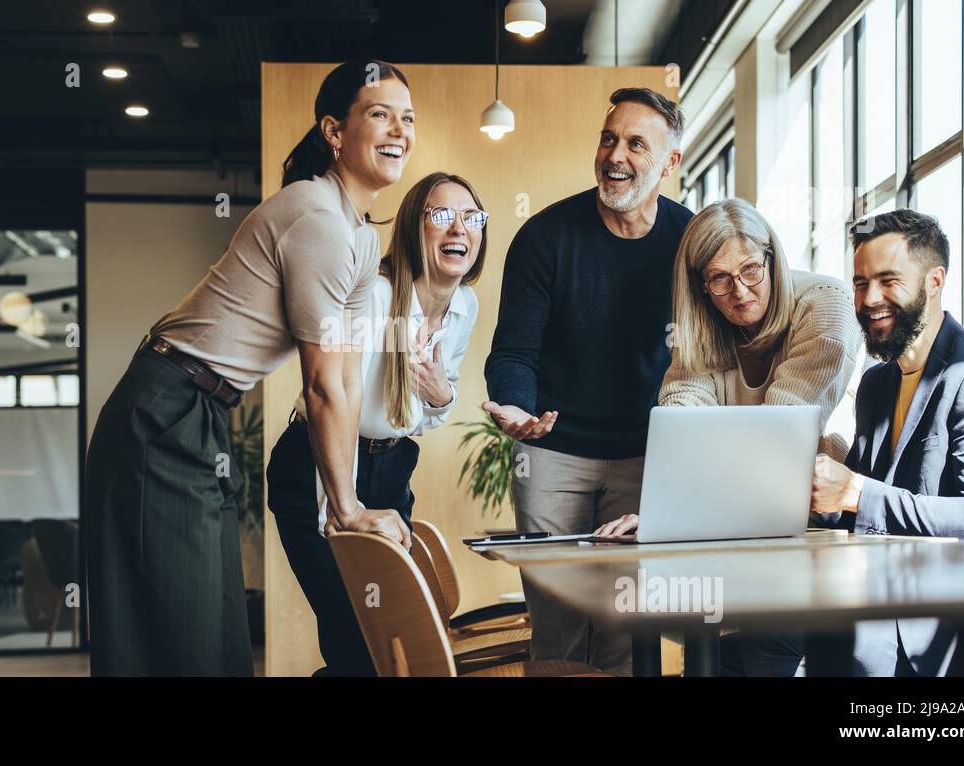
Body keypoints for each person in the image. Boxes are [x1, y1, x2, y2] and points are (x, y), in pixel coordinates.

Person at [85, 60, 414, 677]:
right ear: (334, 132)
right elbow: (318, 386)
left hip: (200, 410)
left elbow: (343, 378)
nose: (399, 129)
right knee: (177, 633)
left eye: (407, 118)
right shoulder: (317, 217)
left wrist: (345, 505)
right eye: (379, 113)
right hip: (163, 408)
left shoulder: (362, 238)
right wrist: (344, 508)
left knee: (212, 630)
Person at [593, 196, 864, 676]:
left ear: (772, 259)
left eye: (750, 271)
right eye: (719, 278)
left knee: (769, 652)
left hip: (819, 524)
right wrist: (662, 513)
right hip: (743, 525)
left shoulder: (827, 304)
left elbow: (779, 438)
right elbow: (681, 417)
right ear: (701, 286)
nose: (739, 291)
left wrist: (683, 509)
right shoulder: (702, 327)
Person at [483, 87, 692, 675]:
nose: (615, 155)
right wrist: (517, 408)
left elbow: (709, 354)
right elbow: (513, 352)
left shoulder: (690, 241)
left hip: (646, 455)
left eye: (635, 143)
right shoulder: (545, 237)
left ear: (670, 164)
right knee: (559, 626)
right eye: (608, 138)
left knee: (626, 628)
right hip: (553, 455)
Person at [268, 172, 487, 675]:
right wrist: (339, 511)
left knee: (394, 638)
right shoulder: (374, 297)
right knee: (356, 641)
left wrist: (442, 393)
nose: (459, 228)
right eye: (440, 215)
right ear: (414, 227)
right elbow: (332, 399)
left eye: (471, 217)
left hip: (390, 470)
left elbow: (427, 413)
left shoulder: (464, 307)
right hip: (319, 465)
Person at [810, 209, 964, 676]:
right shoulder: (875, 383)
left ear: (934, 281)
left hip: (945, 622)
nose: (870, 299)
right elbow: (858, 504)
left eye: (888, 280)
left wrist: (855, 492)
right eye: (861, 283)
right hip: (876, 594)